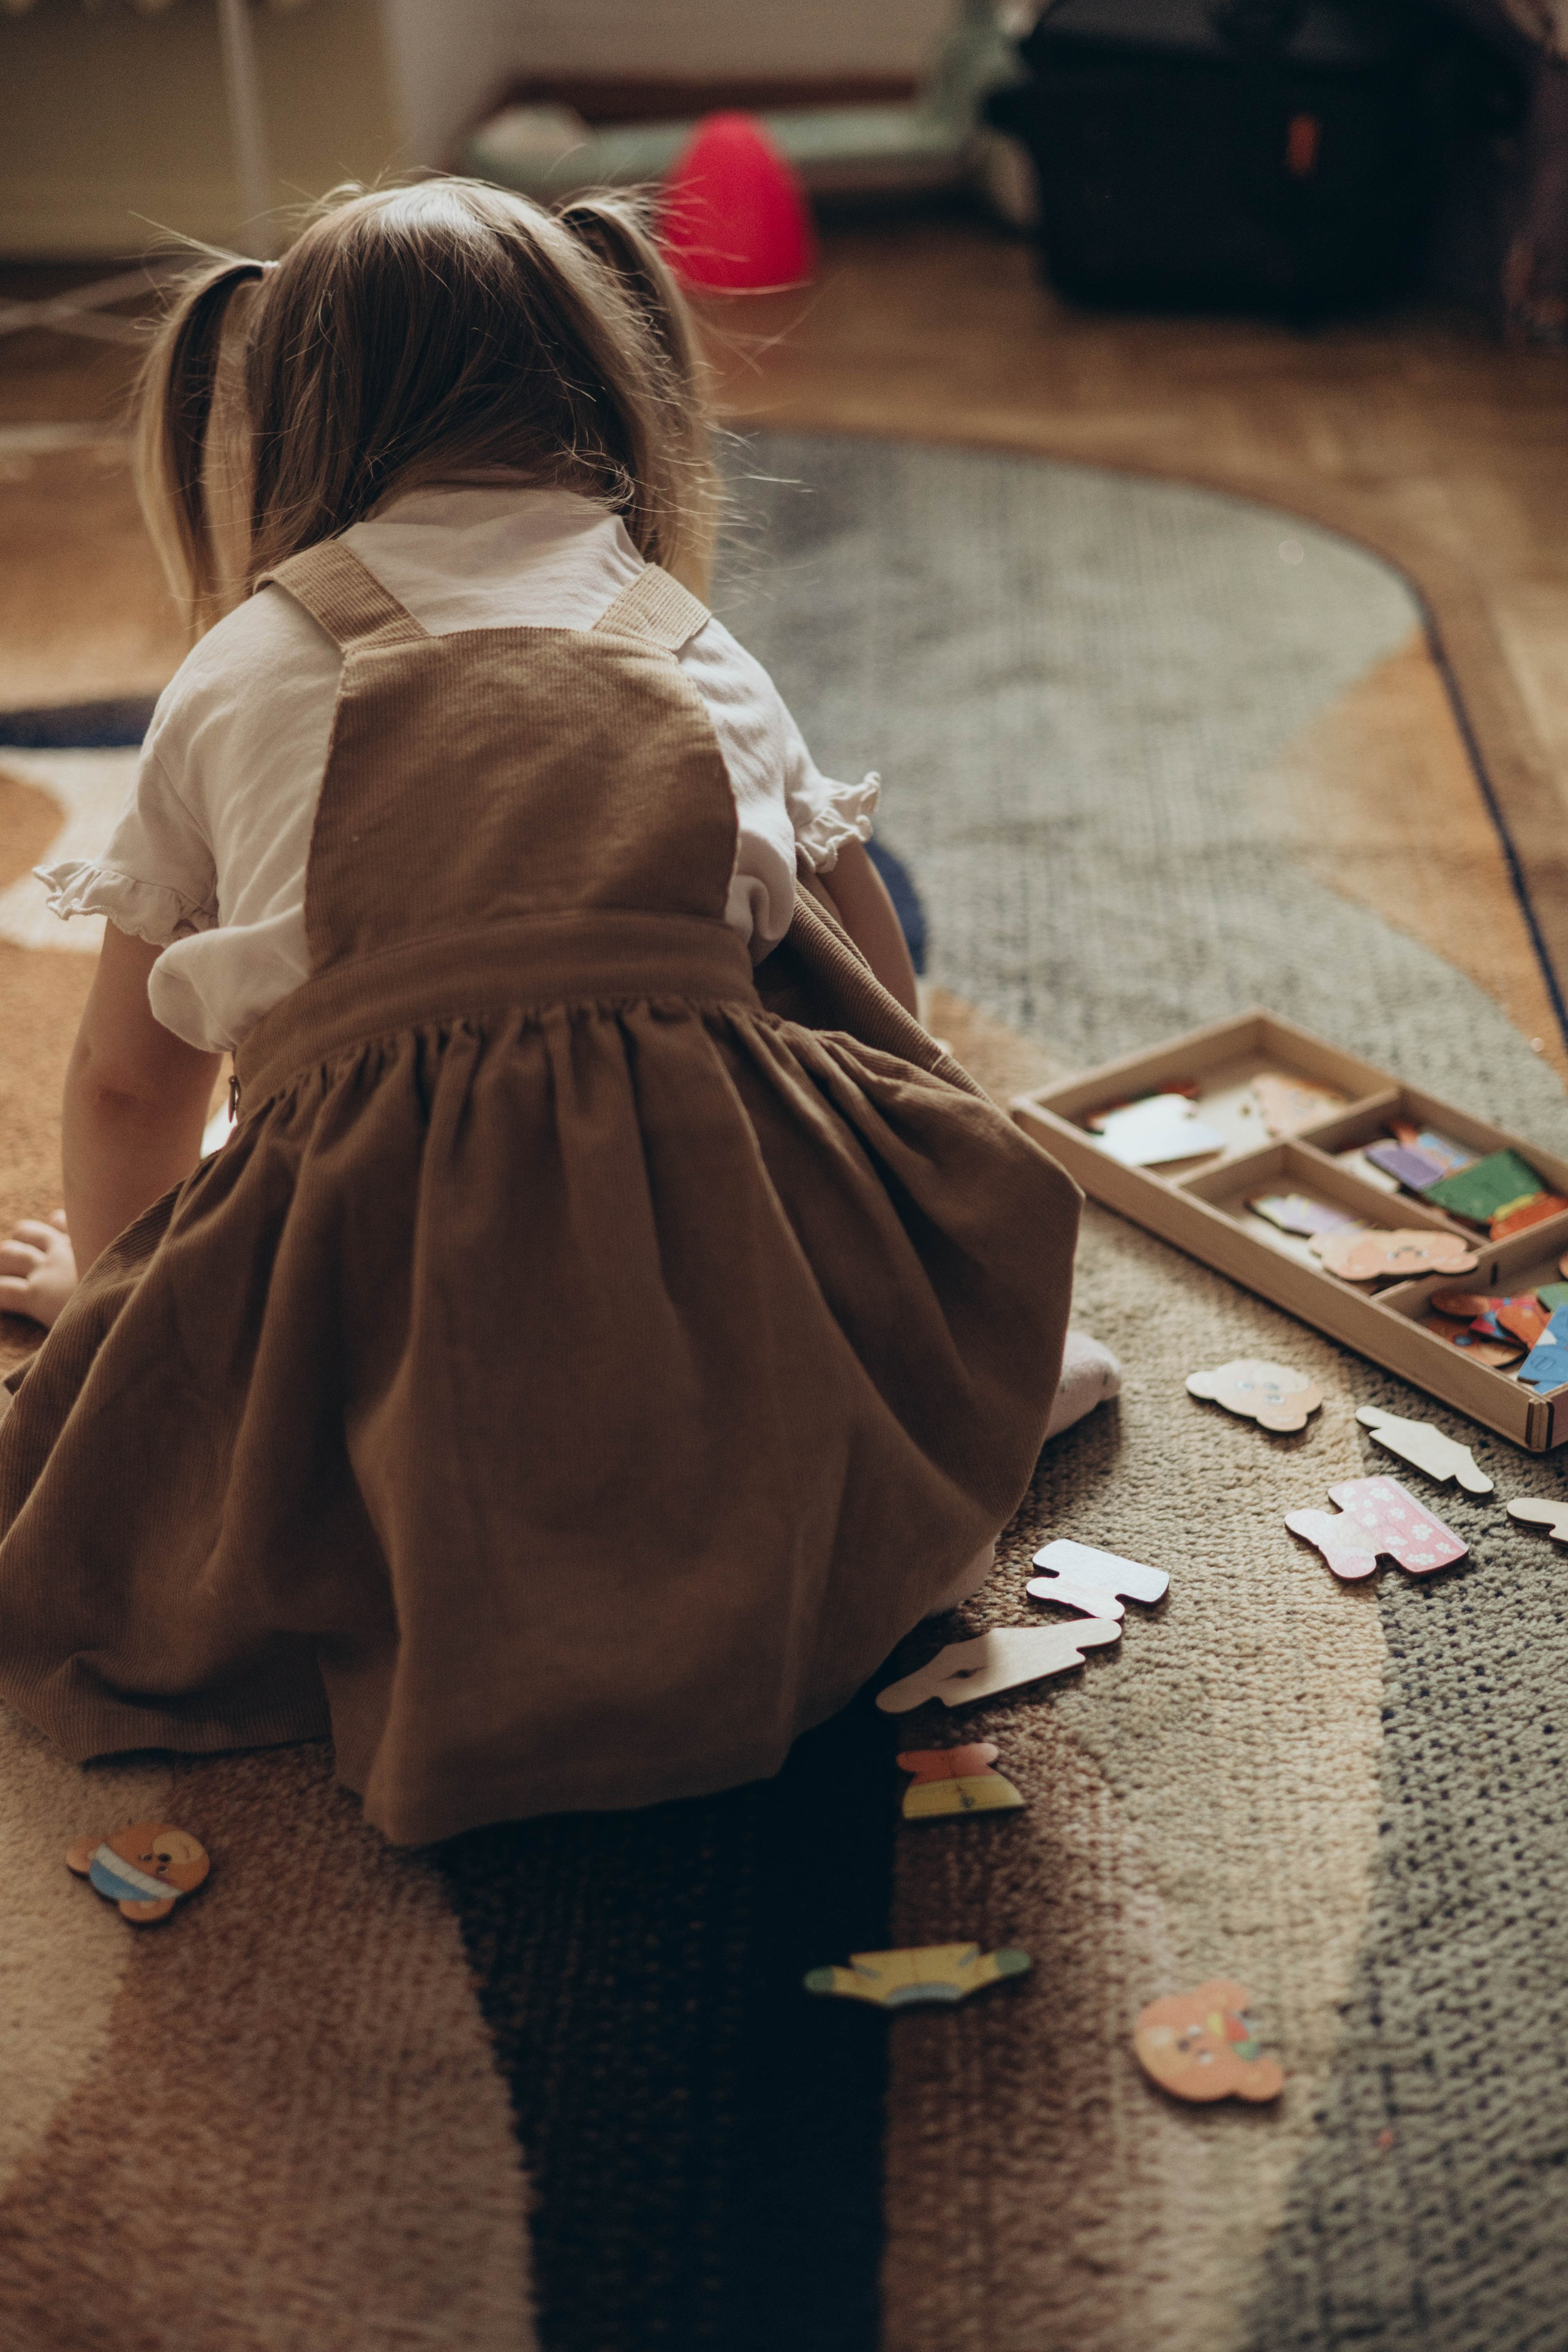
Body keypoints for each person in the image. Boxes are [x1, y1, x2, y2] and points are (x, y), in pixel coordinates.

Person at [0, 181, 1104, 1846]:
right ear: (614, 381)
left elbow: (124, 1089)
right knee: (937, 1340)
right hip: (715, 1286)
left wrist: (128, 1316)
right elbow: (880, 997)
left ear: (281, 417)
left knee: (173, 1485)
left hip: (394, 1318)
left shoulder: (237, 670)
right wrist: (907, 1246)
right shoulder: (690, 640)